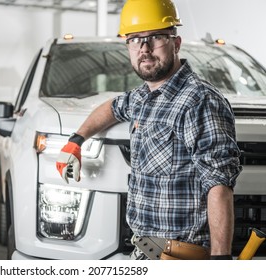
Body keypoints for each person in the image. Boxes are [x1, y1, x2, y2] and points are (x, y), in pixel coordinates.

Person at [56, 0, 242, 260]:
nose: (144, 48)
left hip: (182, 257)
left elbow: (218, 185)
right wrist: (75, 141)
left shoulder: (198, 100)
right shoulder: (143, 97)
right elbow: (110, 108)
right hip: (145, 252)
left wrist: (219, 261)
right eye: (135, 39)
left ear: (176, 43)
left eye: (155, 37)